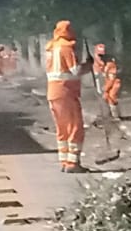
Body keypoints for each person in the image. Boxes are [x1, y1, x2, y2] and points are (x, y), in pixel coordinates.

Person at [43, 20, 84, 171]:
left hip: (52, 93)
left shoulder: (51, 48)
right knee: (74, 126)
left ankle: (64, 161)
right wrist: (88, 65)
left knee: (62, 129)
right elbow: (76, 71)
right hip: (66, 92)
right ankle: (73, 163)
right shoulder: (66, 48)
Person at [93, 42, 121, 119]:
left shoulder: (111, 64)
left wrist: (105, 89)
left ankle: (116, 115)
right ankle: (108, 114)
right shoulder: (98, 62)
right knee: (105, 97)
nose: (101, 57)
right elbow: (96, 72)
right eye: (99, 55)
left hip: (114, 82)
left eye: (102, 55)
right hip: (106, 81)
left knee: (111, 96)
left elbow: (112, 79)